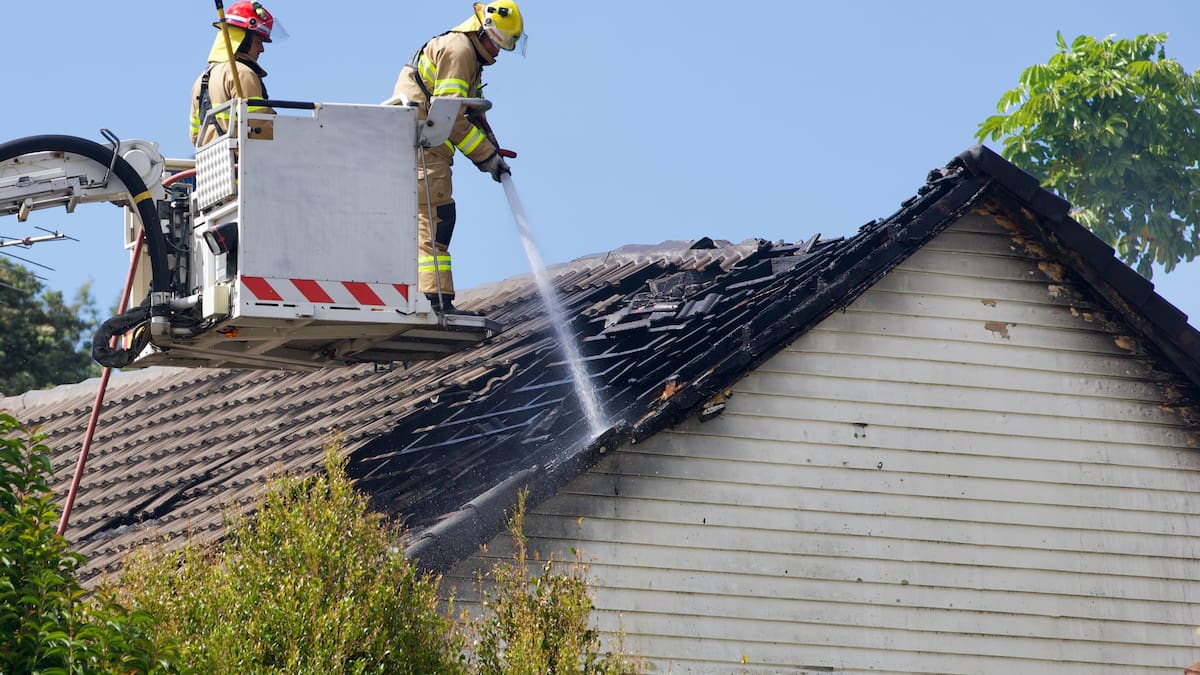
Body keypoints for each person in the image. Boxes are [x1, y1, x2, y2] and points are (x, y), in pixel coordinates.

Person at [391, 1, 524, 314]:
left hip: (424, 143)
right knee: (437, 218)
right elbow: (449, 116)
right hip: (424, 145)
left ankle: (430, 298)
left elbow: (465, 109)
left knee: (433, 219)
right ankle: (434, 301)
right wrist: (487, 156)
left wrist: (489, 142)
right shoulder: (460, 51)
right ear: (481, 30)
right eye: (497, 42)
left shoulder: (465, 51)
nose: (499, 51)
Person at [189, 1, 278, 146]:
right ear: (243, 41)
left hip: (212, 164)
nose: (262, 49)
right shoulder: (243, 74)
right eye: (258, 41)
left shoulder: (201, 80)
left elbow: (195, 136)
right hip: (245, 162)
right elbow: (260, 129)